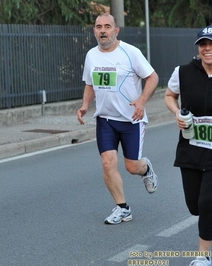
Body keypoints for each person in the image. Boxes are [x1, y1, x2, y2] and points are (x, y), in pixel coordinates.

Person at [77, 13, 159, 225]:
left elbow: (152, 77)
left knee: (132, 166)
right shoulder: (91, 55)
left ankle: (146, 169)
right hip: (105, 120)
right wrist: (85, 105)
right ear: (94, 31)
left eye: (107, 26)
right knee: (107, 163)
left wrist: (141, 101)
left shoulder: (130, 52)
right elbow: (89, 83)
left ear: (116, 30)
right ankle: (122, 208)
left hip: (132, 119)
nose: (102, 30)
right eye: (98, 27)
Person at [165, 26, 212, 266]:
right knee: (195, 205)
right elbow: (169, 95)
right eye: (203, 44)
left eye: (211, 44)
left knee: (207, 202)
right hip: (191, 148)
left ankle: (203, 256)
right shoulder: (182, 72)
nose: (208, 49)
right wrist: (176, 113)